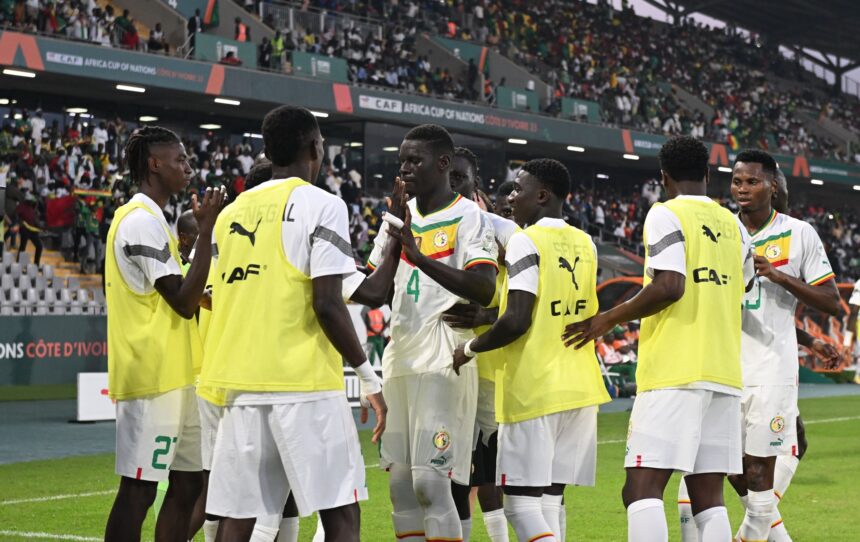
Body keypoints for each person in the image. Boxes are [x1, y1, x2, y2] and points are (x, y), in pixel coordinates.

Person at [198, 106, 386, 542]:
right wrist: (368, 377)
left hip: (240, 385)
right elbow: (327, 303)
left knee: (238, 518)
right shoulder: (322, 204)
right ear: (314, 147)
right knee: (341, 510)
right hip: (303, 387)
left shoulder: (229, 215)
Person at [563, 135, 755, 542]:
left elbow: (670, 285)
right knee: (708, 495)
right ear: (706, 174)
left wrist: (608, 318)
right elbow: (744, 288)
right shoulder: (737, 228)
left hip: (675, 370)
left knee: (641, 489)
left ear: (664, 177)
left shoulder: (665, 214)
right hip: (723, 373)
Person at [452, 158, 610, 541]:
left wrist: (469, 348)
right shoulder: (585, 241)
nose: (511, 197)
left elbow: (517, 318)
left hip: (536, 386)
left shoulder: (526, 240)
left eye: (518, 189)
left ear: (541, 195)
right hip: (580, 386)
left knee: (521, 507)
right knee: (549, 502)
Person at [369, 124, 498, 542]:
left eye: (415, 160)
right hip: (400, 356)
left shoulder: (469, 216)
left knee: (431, 482)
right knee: (400, 486)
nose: (405, 168)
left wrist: (418, 256)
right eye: (401, 160)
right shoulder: (396, 218)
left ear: (443, 164)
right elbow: (376, 288)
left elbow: (483, 287)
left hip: (445, 359)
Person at [103, 126, 226, 542]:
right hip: (151, 377)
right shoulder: (139, 222)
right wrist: (207, 232)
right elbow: (182, 300)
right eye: (180, 161)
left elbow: (187, 297)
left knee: (190, 483)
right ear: (154, 164)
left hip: (178, 375)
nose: (188, 168)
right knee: (138, 491)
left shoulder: (157, 221)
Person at [726, 150, 839, 542]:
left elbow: (831, 301)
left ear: (772, 186)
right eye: (737, 181)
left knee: (759, 469)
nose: (742, 188)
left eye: (752, 181)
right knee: (731, 467)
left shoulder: (798, 232)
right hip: (722, 366)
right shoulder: (723, 231)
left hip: (771, 368)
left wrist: (779, 276)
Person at [442, 146, 518, 541]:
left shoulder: (501, 230)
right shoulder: (417, 225)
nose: (452, 185)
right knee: (446, 471)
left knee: (491, 470)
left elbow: (528, 297)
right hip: (438, 364)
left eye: (461, 178)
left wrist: (489, 316)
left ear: (475, 184)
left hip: (489, 366)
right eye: (448, 176)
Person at [16, 193, 42, 265]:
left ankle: (36, 264)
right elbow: (16, 215)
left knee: (39, 246)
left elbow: (35, 220)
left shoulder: (32, 209)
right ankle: (18, 263)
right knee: (23, 246)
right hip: (24, 229)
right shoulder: (21, 207)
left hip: (32, 230)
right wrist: (20, 223)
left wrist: (39, 227)